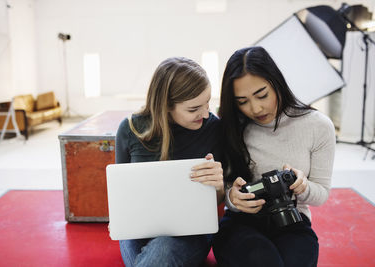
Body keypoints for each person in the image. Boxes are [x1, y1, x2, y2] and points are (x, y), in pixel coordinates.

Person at [212, 46, 336, 267]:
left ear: (276, 82)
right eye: (242, 101)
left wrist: (302, 186)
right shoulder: (230, 126)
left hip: (292, 220)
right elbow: (223, 187)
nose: (255, 108)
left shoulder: (318, 126)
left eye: (262, 95)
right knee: (262, 260)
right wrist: (232, 197)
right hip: (242, 223)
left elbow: (322, 194)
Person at [114, 57, 225, 267]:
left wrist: (219, 185)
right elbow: (121, 192)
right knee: (158, 255)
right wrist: (121, 218)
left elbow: (219, 199)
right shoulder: (130, 129)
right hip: (138, 231)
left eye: (207, 102)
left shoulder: (213, 128)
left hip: (193, 230)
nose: (206, 113)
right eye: (194, 109)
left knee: (163, 251)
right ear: (165, 106)